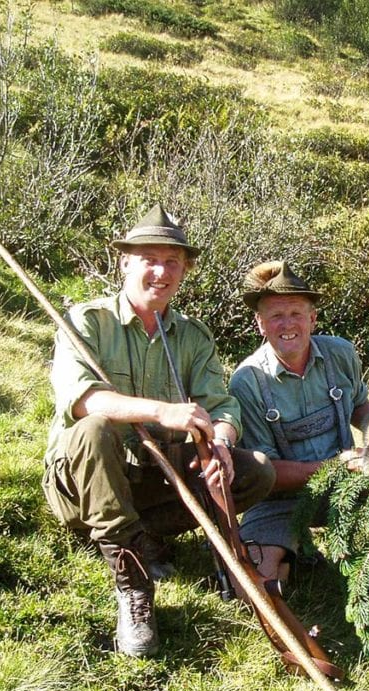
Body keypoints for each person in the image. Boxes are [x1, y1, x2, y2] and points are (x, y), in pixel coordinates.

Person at [42, 205, 275, 658]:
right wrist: (162, 411)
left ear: (184, 270)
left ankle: (138, 533)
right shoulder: (87, 322)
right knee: (94, 429)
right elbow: (84, 400)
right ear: (125, 262)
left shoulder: (192, 336)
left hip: (153, 478)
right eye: (149, 258)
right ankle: (133, 580)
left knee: (255, 472)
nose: (161, 271)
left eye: (172, 262)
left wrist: (221, 443)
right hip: (80, 482)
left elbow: (221, 405)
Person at [229, 261, 369, 584]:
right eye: (276, 316)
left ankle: (346, 555)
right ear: (260, 324)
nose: (287, 324)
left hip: (347, 487)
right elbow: (268, 472)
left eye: (296, 313)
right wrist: (336, 465)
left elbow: (360, 406)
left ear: (313, 318)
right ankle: (293, 553)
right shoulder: (247, 381)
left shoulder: (341, 354)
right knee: (254, 582)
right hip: (279, 501)